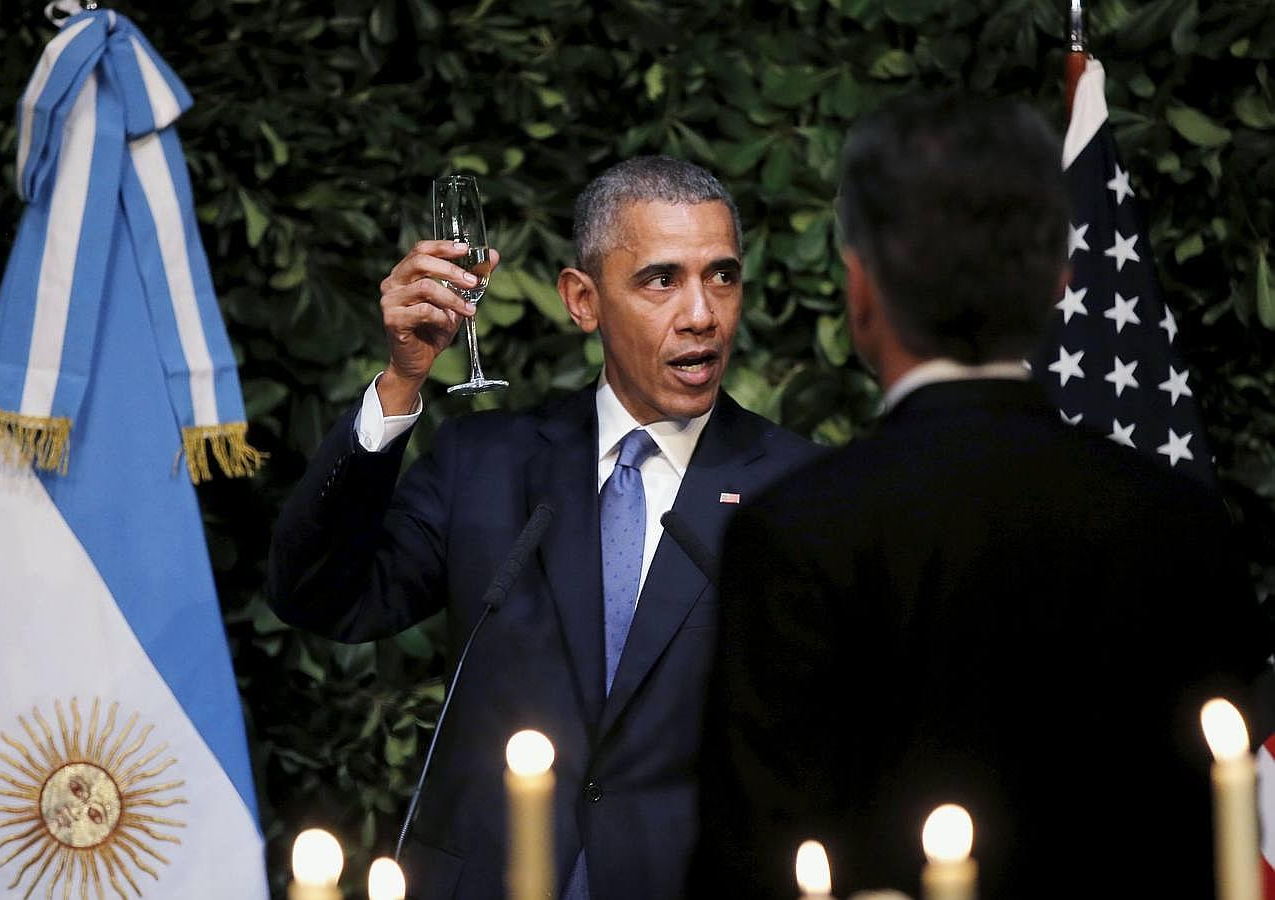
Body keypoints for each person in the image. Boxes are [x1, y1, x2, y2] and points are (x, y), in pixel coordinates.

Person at [691, 95, 1273, 899]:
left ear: (859, 289)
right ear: (1056, 286)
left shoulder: (794, 531)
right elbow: (1212, 833)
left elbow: (752, 858)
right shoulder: (1178, 521)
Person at [268, 156, 821, 900]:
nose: (701, 313)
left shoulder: (794, 489)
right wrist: (400, 383)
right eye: (661, 280)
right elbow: (319, 594)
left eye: (721, 276)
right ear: (581, 300)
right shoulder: (485, 463)